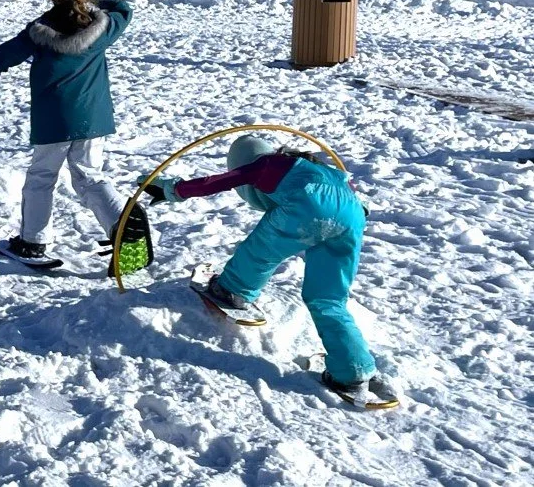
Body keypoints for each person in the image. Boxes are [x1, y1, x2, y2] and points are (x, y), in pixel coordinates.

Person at [144, 134, 385, 399]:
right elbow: (356, 203)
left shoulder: (266, 164)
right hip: (352, 219)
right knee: (328, 298)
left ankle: (232, 289)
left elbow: (218, 182)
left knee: (261, 250)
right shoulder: (321, 169)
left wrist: (173, 190)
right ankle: (353, 372)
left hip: (308, 207)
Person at [0, 0, 136, 268]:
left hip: (53, 121)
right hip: (93, 118)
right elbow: (124, 9)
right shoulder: (103, 29)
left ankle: (33, 242)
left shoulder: (37, 32)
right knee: (90, 176)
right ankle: (123, 227)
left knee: (41, 178)